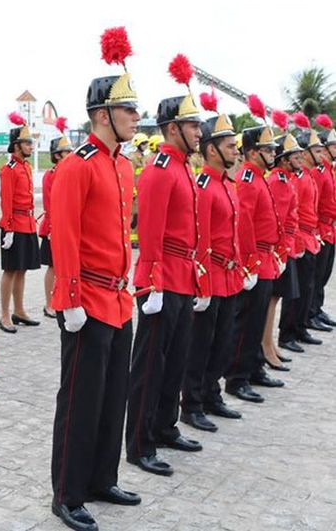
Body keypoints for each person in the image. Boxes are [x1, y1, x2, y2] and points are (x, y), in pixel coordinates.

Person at [50, 27, 141, 531]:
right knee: (80, 400)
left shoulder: (123, 167)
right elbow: (63, 235)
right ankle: (67, 491)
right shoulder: (77, 166)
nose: (135, 117)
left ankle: (103, 476)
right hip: (86, 298)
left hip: (118, 298)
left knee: (113, 395)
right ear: (102, 115)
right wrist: (68, 298)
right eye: (128, 111)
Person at [126, 55, 205, 477]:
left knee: (174, 360)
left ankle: (164, 425)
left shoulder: (183, 168)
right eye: (192, 125)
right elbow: (151, 232)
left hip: (183, 276)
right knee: (149, 367)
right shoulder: (158, 170)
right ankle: (140, 443)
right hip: (162, 280)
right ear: (172, 128)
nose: (199, 131)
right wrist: (152, 282)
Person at [179, 94, 246, 432]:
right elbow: (200, 238)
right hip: (210, 275)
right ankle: (191, 404)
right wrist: (202, 283)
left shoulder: (228, 184)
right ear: (211, 150)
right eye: (229, 145)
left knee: (223, 342)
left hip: (230, 275)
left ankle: (212, 394)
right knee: (200, 344)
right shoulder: (204, 185)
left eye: (235, 145)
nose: (235, 150)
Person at [224, 101, 284, 404]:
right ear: (251, 153)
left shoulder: (258, 178)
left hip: (266, 259)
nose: (273, 155)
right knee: (246, 321)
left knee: (257, 318)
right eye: (268, 150)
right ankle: (237, 377)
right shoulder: (248, 179)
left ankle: (254, 366)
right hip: (254, 260)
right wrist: (248, 263)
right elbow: (244, 224)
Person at [280, 121, 325, 349]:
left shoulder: (308, 175)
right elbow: (292, 213)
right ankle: (288, 333)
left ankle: (300, 327)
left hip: (311, 236)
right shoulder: (297, 178)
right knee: (294, 293)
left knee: (308, 287)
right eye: (316, 150)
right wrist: (295, 242)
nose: (322, 153)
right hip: (299, 239)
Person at [0, 112, 41, 333]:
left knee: (22, 270)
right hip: (14, 225)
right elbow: (6, 202)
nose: (30, 146)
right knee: (10, 270)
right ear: (16, 145)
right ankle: (5, 315)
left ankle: (19, 310)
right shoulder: (9, 170)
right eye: (27, 142)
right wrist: (8, 229)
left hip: (27, 223)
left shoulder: (26, 167)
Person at [265, 125, 302, 370]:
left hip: (286, 247)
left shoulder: (286, 179)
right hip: (277, 250)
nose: (301, 159)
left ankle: (269, 343)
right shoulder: (277, 181)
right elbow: (276, 220)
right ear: (284, 160)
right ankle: (265, 345)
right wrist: (281, 251)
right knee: (270, 301)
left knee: (276, 298)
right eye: (296, 156)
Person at [40, 117, 73, 319]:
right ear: (57, 155)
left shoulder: (70, 172)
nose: (70, 154)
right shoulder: (51, 175)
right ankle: (48, 303)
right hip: (53, 228)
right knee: (53, 267)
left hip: (67, 227)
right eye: (66, 151)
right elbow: (50, 204)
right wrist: (54, 228)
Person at [309, 116, 336, 328]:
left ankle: (316, 309)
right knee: (316, 276)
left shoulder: (329, 170)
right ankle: (310, 313)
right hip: (321, 227)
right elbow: (314, 202)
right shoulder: (319, 171)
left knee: (324, 275)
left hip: (330, 227)